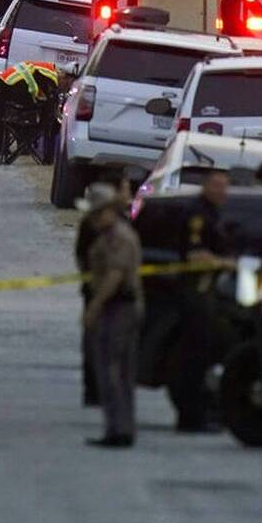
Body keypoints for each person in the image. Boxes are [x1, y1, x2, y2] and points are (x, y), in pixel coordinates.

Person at [79, 182, 144, 448]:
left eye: (97, 213)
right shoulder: (107, 236)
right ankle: (118, 427)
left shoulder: (119, 237)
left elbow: (115, 276)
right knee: (117, 371)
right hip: (117, 306)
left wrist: (94, 306)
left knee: (113, 371)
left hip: (119, 307)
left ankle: (119, 428)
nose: (93, 219)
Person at [170, 168, 233, 433]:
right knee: (193, 359)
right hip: (195, 293)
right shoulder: (198, 215)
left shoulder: (212, 213)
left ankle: (198, 413)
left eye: (225, 186)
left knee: (202, 357)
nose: (222, 191)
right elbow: (195, 256)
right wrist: (226, 263)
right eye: (217, 185)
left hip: (206, 294)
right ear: (206, 185)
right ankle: (190, 417)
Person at [75, 170, 133, 407]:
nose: (129, 192)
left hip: (103, 290)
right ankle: (98, 390)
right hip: (106, 291)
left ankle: (97, 389)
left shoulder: (115, 219)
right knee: (100, 343)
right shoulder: (106, 224)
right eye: (126, 187)